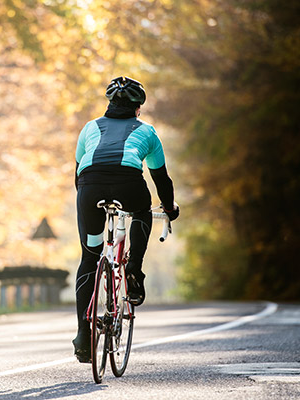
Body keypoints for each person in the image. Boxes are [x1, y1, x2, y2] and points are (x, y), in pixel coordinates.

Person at [73, 76, 179, 363]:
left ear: (109, 104)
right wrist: (169, 208)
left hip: (89, 185)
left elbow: (78, 170)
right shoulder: (147, 131)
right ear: (138, 109)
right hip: (128, 182)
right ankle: (133, 268)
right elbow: (161, 179)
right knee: (142, 212)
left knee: (89, 257)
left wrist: (87, 201)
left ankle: (84, 337)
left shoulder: (90, 127)